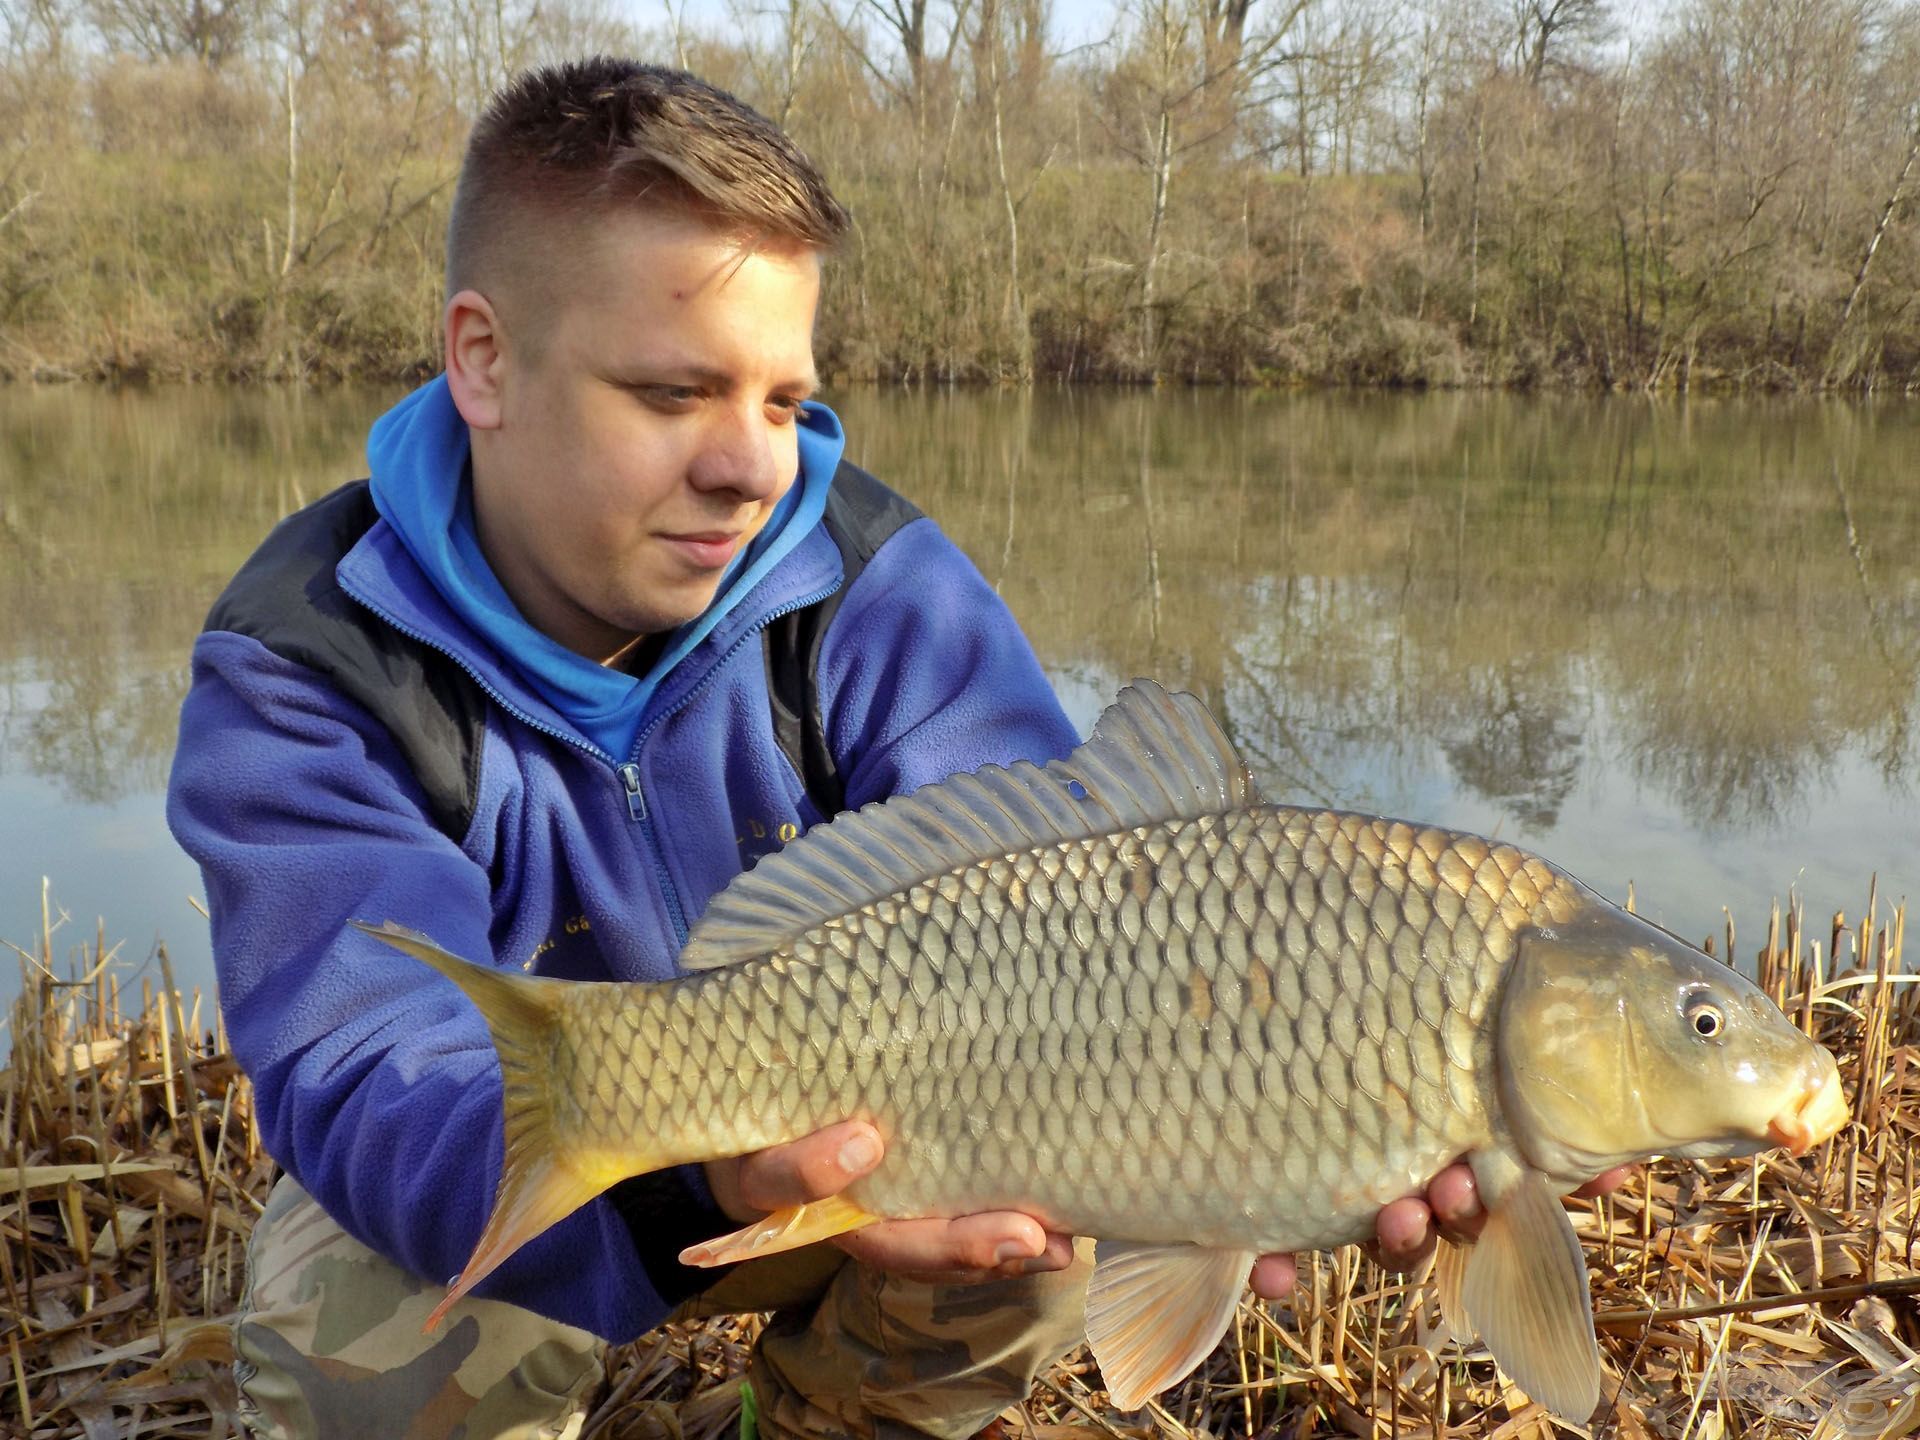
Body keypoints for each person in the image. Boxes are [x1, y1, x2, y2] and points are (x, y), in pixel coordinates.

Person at [167, 57, 1624, 1440]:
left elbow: (1082, 896)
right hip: (533, 1152)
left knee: (1027, 1241)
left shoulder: (874, 585)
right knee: (357, 1313)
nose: (751, 464)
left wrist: (1301, 1106)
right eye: (674, 394)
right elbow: (367, 1059)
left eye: (786, 400)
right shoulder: (310, 661)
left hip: (877, 1154)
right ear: (483, 361)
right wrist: (701, 1168)